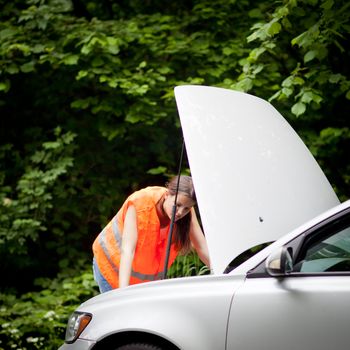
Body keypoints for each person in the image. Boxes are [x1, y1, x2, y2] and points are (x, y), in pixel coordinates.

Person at [92, 175, 210, 293]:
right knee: (119, 311)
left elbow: (202, 248)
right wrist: (123, 293)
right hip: (112, 270)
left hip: (143, 282)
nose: (180, 212)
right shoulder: (140, 203)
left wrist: (223, 275)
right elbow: (128, 250)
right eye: (178, 205)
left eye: (186, 208)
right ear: (167, 195)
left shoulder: (187, 212)